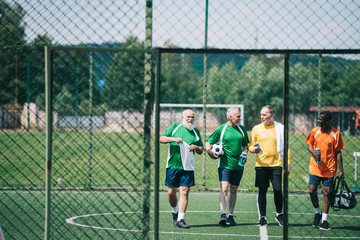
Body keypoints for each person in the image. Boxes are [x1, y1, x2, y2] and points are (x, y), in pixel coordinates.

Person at [159, 109, 204, 229]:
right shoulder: (174, 127)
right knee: (171, 194)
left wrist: (196, 147)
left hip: (188, 167)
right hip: (173, 166)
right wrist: (174, 139)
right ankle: (175, 212)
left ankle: (180, 219)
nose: (190, 119)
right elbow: (161, 138)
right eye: (188, 117)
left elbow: (201, 150)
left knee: (184, 192)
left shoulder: (195, 132)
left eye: (192, 117)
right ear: (182, 117)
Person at [206, 107, 249, 226]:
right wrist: (209, 152)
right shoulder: (222, 129)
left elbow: (245, 146)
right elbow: (208, 141)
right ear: (230, 117)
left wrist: (245, 154)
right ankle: (223, 215)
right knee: (224, 188)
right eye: (238, 116)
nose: (240, 118)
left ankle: (230, 215)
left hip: (238, 165)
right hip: (224, 165)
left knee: (234, 189)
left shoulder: (242, 130)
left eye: (240, 116)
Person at [249, 105, 290, 227]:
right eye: (261, 114)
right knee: (262, 191)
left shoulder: (280, 128)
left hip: (276, 164)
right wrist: (253, 150)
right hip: (261, 165)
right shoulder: (256, 128)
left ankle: (279, 214)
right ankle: (262, 217)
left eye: (264, 115)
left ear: (271, 115)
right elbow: (251, 146)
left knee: (277, 189)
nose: (262, 117)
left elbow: (286, 147)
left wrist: (287, 163)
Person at [305, 111, 344, 231]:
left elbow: (338, 152)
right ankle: (317, 213)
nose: (318, 121)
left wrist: (341, 170)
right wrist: (314, 155)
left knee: (326, 193)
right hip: (315, 167)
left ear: (327, 121)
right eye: (318, 119)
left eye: (321, 119)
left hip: (329, 168)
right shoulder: (314, 131)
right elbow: (309, 145)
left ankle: (324, 220)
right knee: (312, 191)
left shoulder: (336, 133)